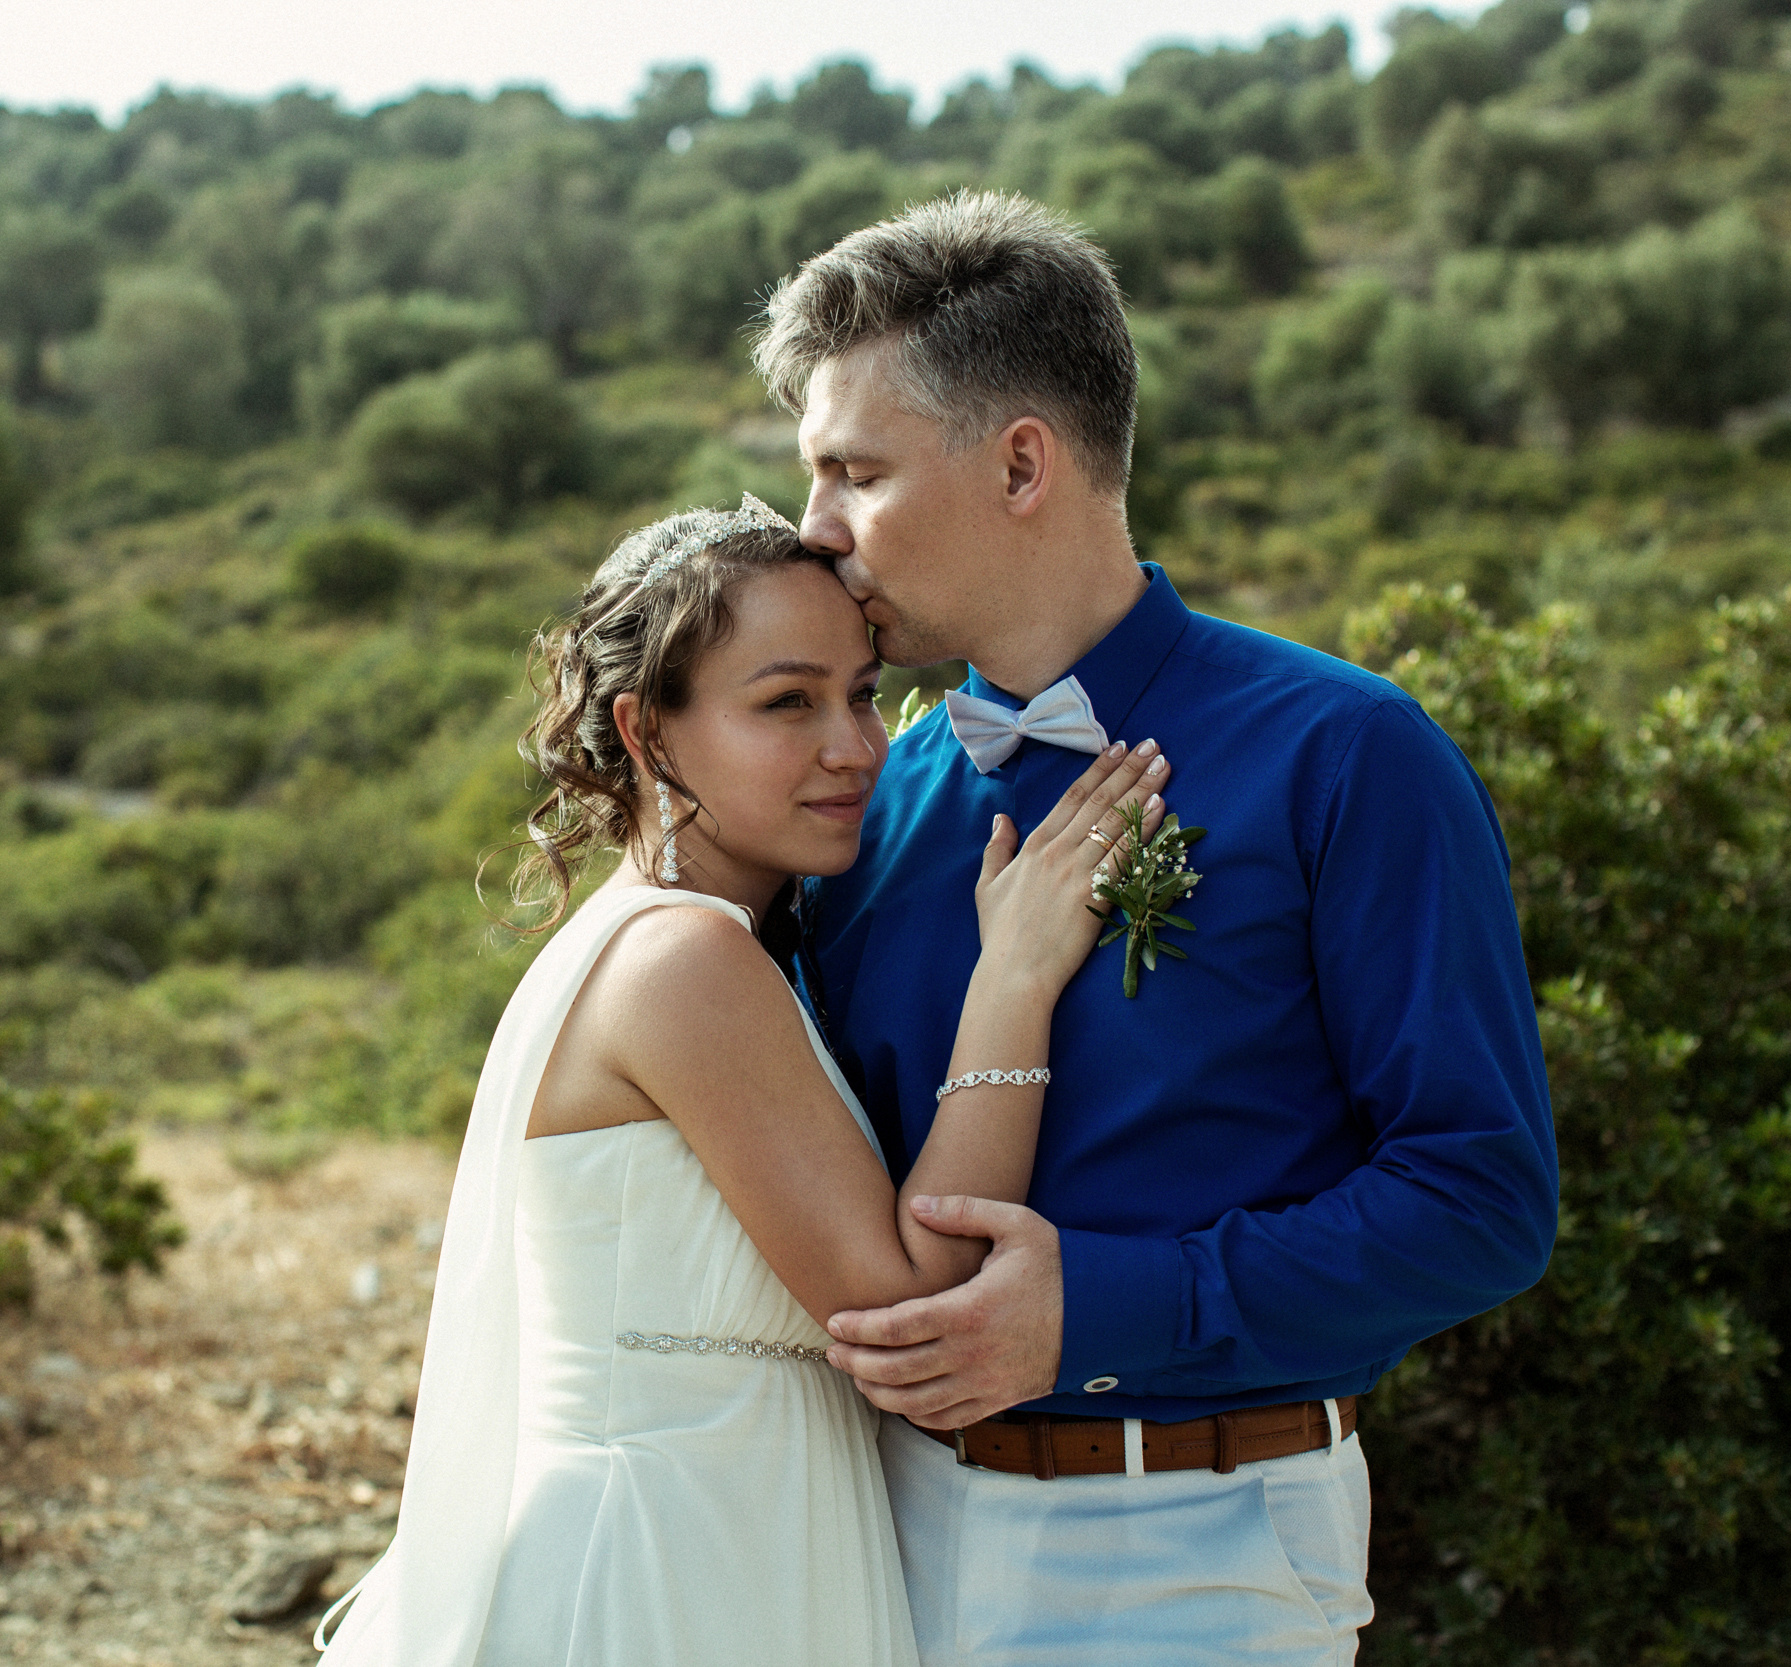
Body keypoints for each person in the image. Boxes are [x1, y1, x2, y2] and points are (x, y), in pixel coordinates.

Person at [753, 191, 1559, 1665]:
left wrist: (1111, 1307)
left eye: (855, 473)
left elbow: (1480, 1199)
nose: (816, 531)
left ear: (1021, 463)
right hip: (866, 1542)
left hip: (1203, 1549)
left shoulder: (1347, 755)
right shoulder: (866, 802)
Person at [316, 496, 1177, 1665]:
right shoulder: (682, 959)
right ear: (647, 731)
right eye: (786, 702)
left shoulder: (684, 942)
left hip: (736, 1535)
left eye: (861, 693)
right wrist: (1014, 976)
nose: (855, 746)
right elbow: (909, 1295)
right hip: (658, 1569)